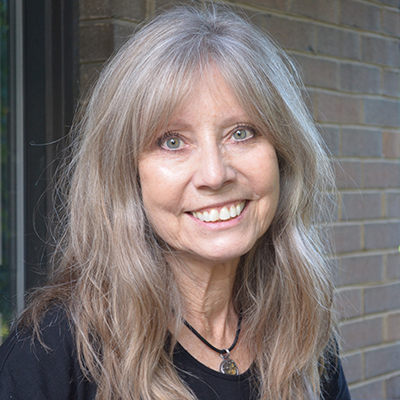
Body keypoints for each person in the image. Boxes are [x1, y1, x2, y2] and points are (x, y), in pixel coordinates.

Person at [0, 4, 351, 400]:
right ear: (126, 175)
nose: (215, 175)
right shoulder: (51, 353)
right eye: (172, 141)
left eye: (242, 133)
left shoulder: (303, 337)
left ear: (283, 156)